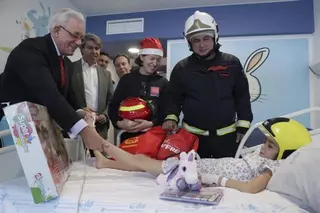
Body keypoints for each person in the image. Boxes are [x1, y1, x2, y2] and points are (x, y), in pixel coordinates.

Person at [95, 117, 311, 193]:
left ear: (285, 152)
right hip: (204, 164)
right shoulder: (264, 156)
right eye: (265, 142)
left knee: (142, 161)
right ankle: (105, 162)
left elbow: (251, 188)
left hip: (202, 171)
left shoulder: (274, 167)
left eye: (270, 146)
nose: (263, 148)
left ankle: (102, 145)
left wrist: (214, 179)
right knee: (147, 164)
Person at [0, 8, 106, 151]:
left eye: (81, 38)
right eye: (75, 35)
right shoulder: (31, 50)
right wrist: (85, 131)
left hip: (39, 129)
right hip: (13, 126)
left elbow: (68, 97)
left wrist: (82, 112)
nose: (78, 42)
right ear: (57, 30)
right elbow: (49, 95)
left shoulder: (65, 63)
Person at [162, 11, 253, 159]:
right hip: (192, 140)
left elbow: (242, 97)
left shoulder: (232, 63)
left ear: (214, 37)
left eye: (206, 38)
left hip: (227, 139)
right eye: (196, 40)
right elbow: (174, 99)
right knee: (193, 178)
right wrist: (171, 117)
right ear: (189, 42)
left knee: (226, 180)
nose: (202, 45)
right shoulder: (181, 68)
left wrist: (243, 126)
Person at [108, 38, 169, 143]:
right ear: (141, 57)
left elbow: (166, 111)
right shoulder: (127, 80)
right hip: (128, 137)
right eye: (152, 59)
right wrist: (119, 123)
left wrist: (151, 123)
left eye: (158, 60)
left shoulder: (163, 82)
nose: (155, 63)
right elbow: (113, 107)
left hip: (154, 138)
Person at [70, 33, 114, 141]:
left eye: (97, 48)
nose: (94, 51)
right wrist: (79, 110)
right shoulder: (70, 68)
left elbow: (111, 100)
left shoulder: (106, 74)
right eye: (90, 48)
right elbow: (65, 95)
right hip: (77, 124)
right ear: (82, 49)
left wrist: (105, 115)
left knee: (99, 158)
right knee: (77, 157)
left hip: (100, 127)